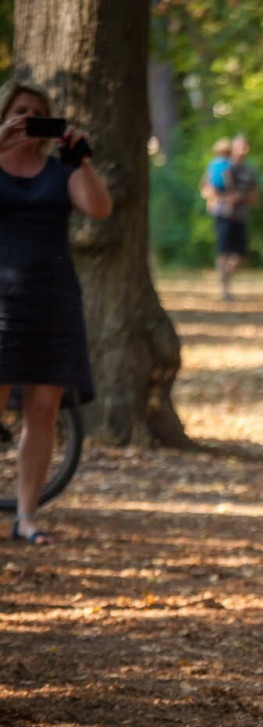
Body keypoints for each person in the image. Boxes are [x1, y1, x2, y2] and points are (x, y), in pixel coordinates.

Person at [0, 80, 112, 546]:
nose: (29, 119)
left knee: (43, 411)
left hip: (52, 301)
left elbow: (99, 209)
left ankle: (26, 517)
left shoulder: (59, 170)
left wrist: (80, 159)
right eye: (20, 110)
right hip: (2, 301)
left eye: (38, 112)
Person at [209, 134, 259, 302]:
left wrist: (240, 198)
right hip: (223, 213)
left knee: (240, 256)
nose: (245, 150)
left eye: (247, 146)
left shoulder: (249, 170)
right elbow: (207, 187)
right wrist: (221, 198)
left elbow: (254, 195)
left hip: (241, 215)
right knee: (223, 251)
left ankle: (225, 277)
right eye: (242, 146)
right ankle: (224, 289)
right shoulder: (222, 165)